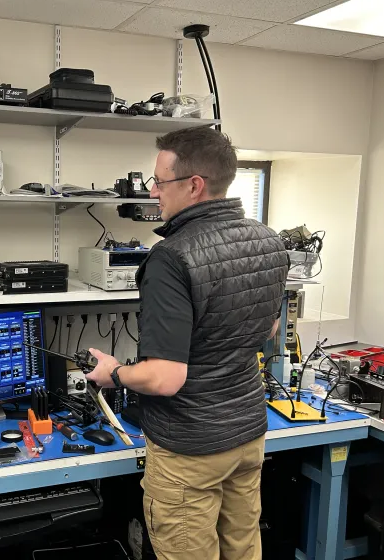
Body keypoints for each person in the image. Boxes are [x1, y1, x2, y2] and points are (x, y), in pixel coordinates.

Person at [86, 126, 289, 560]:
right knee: (242, 548)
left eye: (159, 182)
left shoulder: (171, 257)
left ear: (194, 185)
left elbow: (163, 379)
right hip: (248, 434)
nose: (153, 192)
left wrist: (113, 373)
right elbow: (268, 331)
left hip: (190, 448)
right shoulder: (269, 241)